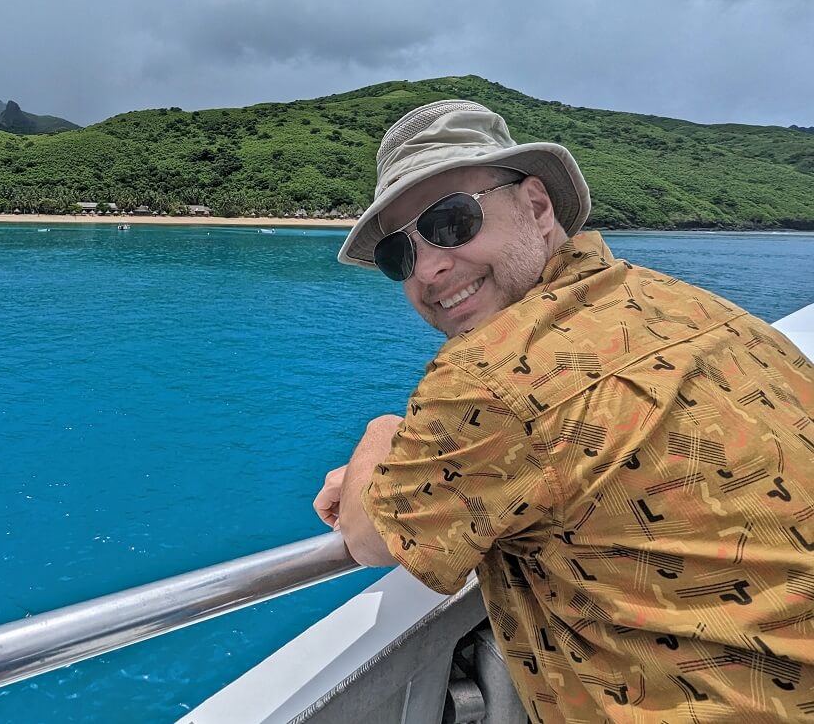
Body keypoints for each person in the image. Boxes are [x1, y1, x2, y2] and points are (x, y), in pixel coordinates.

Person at [313, 100, 814, 722]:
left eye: (451, 221)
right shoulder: (694, 309)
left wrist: (383, 431)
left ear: (537, 207)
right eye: (399, 255)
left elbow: (368, 536)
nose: (431, 268)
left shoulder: (489, 377)